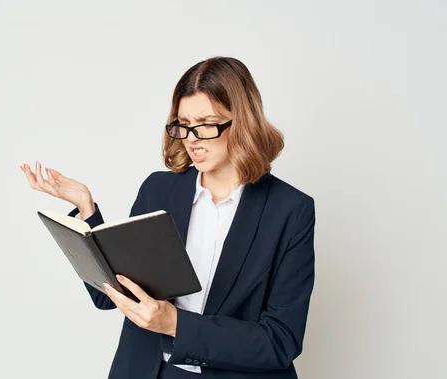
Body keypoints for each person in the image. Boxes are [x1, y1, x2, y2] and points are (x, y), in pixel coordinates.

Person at [20, 56, 316, 379]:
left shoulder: (290, 211)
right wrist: (86, 207)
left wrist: (174, 323)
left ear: (243, 121)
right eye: (184, 124)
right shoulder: (159, 190)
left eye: (205, 123)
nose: (191, 138)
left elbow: (280, 341)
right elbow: (110, 296)